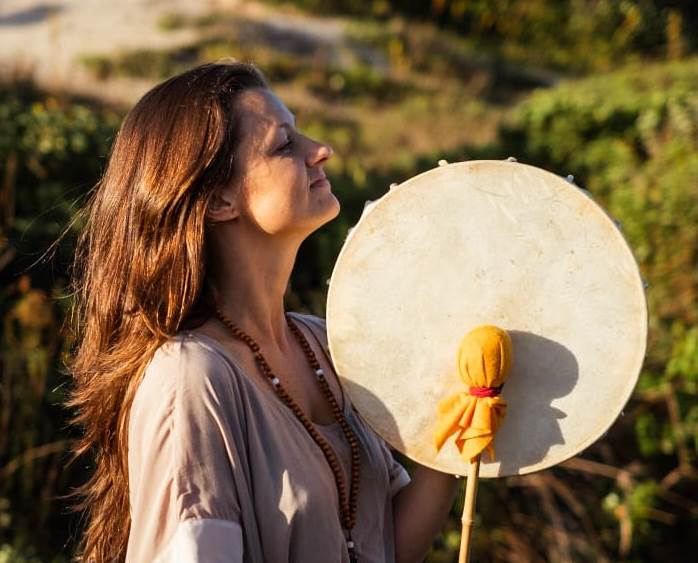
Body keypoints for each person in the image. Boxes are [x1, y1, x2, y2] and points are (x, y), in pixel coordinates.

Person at [66, 61, 459, 563]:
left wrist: (451, 445)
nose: (321, 150)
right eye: (283, 145)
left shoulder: (324, 344)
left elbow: (386, 545)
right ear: (218, 200)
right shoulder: (191, 379)